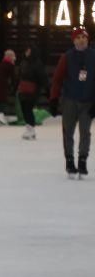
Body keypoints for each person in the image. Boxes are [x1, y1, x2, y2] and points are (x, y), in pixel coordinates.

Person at [49, 26, 95, 178]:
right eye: (78, 38)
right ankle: (70, 161)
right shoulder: (67, 57)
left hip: (88, 102)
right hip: (70, 100)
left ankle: (82, 160)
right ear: (74, 40)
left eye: (84, 37)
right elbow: (57, 79)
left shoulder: (93, 56)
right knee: (68, 131)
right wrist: (54, 99)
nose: (81, 40)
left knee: (85, 132)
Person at [16, 45, 47, 141]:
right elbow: (19, 74)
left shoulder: (37, 63)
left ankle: (32, 129)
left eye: (29, 51)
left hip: (33, 90)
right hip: (23, 89)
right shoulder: (23, 62)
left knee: (28, 109)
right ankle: (28, 128)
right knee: (24, 109)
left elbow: (42, 77)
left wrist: (44, 88)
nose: (27, 53)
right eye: (26, 51)